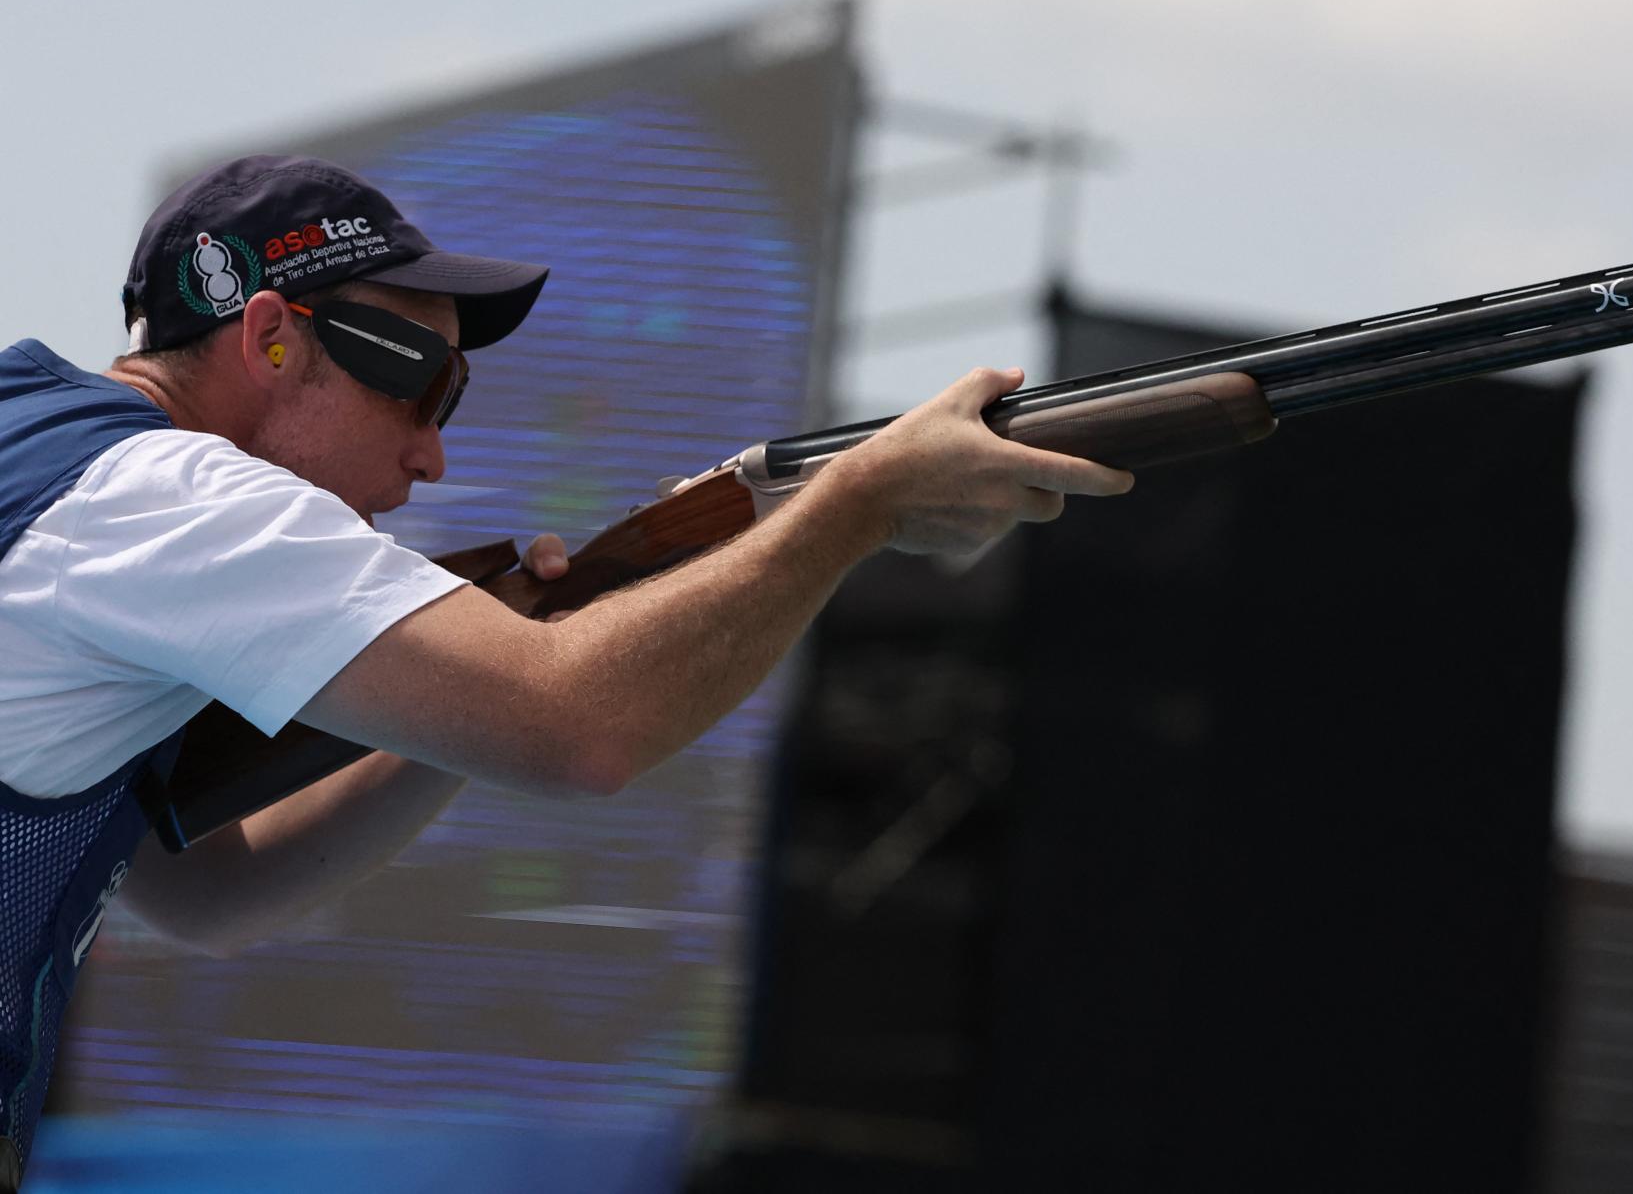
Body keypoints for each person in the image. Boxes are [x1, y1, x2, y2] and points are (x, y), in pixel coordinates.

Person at [0, 155, 1133, 1187]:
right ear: (270, 339)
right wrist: (858, 502)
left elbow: (200, 892)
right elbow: (583, 727)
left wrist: (450, 711)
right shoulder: (171, 502)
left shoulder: (61, 468)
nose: (432, 452)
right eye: (419, 381)